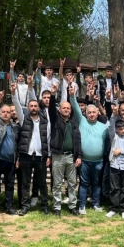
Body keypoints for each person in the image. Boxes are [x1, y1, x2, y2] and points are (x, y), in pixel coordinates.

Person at [70, 86, 109, 214]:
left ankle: (96, 204)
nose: (91, 114)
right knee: (84, 183)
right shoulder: (82, 122)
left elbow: (107, 143)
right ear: (85, 114)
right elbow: (75, 107)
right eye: (89, 112)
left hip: (98, 161)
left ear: (98, 113)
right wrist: (72, 95)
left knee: (96, 183)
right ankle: (82, 206)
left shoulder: (104, 127)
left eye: (94, 112)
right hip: (84, 161)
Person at [11, 83, 48, 216]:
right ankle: (25, 206)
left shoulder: (44, 121)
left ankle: (44, 206)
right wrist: (13, 93)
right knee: (25, 183)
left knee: (42, 183)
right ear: (28, 108)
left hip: (40, 156)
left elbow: (47, 139)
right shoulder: (23, 119)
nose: (33, 108)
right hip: (26, 155)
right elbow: (16, 104)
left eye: (35, 106)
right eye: (31, 106)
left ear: (38, 107)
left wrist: (48, 155)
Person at [48, 84, 82, 217]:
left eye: (68, 108)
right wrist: (52, 94)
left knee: (72, 183)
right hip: (58, 156)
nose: (66, 110)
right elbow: (51, 109)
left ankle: (73, 206)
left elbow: (78, 140)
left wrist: (79, 156)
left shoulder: (74, 123)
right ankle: (57, 207)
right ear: (60, 109)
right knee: (57, 184)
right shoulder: (55, 120)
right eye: (64, 108)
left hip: (71, 157)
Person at [0, 91, 20, 218]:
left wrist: (17, 159)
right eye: (3, 112)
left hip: (10, 161)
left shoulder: (15, 127)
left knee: (10, 185)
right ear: (0, 114)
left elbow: (18, 144)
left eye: (8, 112)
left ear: (11, 114)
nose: (6, 114)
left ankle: (9, 206)